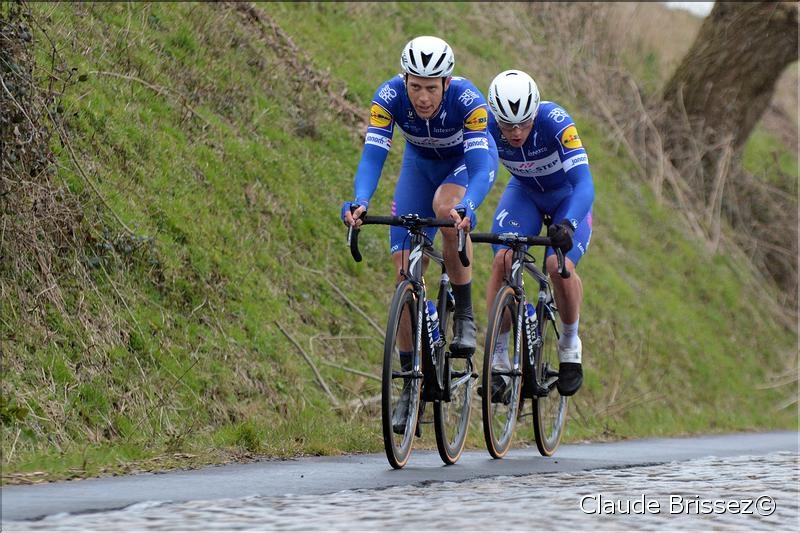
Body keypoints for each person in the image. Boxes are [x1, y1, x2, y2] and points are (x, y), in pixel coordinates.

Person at [341, 36, 499, 431]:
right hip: (418, 167)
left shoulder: (468, 101)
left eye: (431, 88)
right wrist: (360, 200)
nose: (423, 97)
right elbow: (373, 155)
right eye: (415, 87)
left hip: (463, 167)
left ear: (447, 83)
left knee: (446, 210)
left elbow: (481, 166)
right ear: (404, 81)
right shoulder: (388, 96)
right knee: (403, 274)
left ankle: (463, 312)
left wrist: (470, 206)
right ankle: (410, 385)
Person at [483, 69, 594, 398]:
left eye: (523, 124)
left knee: (556, 266)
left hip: (567, 198)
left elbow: (584, 184)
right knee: (503, 258)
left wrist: (570, 223)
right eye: (507, 125)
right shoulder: (487, 126)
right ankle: (499, 353)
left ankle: (570, 341)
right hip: (525, 194)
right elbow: (476, 166)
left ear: (534, 113)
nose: (515, 133)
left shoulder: (555, 121)